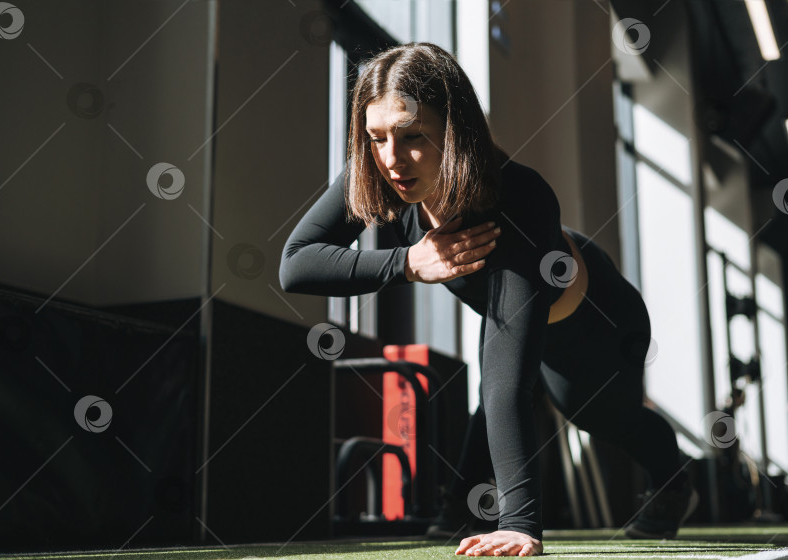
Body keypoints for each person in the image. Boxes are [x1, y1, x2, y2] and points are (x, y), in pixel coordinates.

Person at [278, 42, 698, 557]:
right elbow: (297, 262)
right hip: (510, 299)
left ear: (454, 131)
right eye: (375, 137)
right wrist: (408, 262)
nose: (391, 158)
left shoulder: (518, 198)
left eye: (412, 137)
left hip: (598, 323)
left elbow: (508, 388)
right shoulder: (384, 171)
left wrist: (521, 525)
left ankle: (675, 482)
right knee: (497, 380)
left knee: (600, 416)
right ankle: (460, 505)